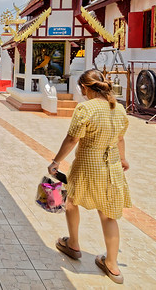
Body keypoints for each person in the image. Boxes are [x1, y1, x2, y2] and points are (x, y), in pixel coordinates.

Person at [48, 69, 131, 284]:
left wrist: (56, 161)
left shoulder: (85, 108)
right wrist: (123, 159)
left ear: (85, 87)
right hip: (112, 166)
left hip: (87, 164)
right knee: (108, 214)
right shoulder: (119, 108)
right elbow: (120, 138)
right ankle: (112, 265)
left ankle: (73, 244)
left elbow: (72, 138)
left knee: (72, 202)